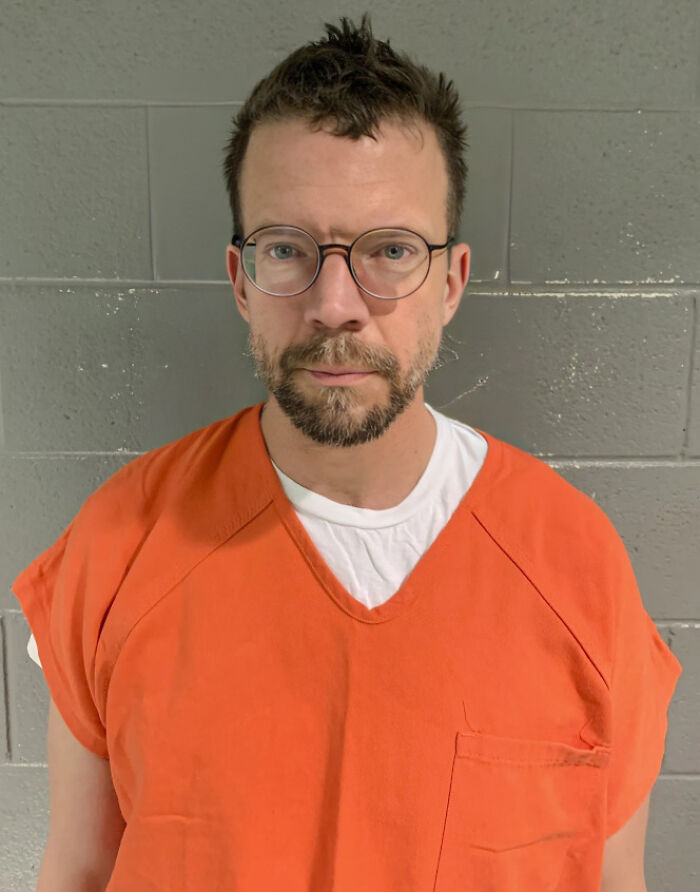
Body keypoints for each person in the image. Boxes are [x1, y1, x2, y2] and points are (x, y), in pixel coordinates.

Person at [15, 14, 681, 891]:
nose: (335, 303)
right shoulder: (118, 549)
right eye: (287, 249)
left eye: (391, 250)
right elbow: (79, 869)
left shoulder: (577, 570)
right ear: (239, 280)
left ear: (451, 282)